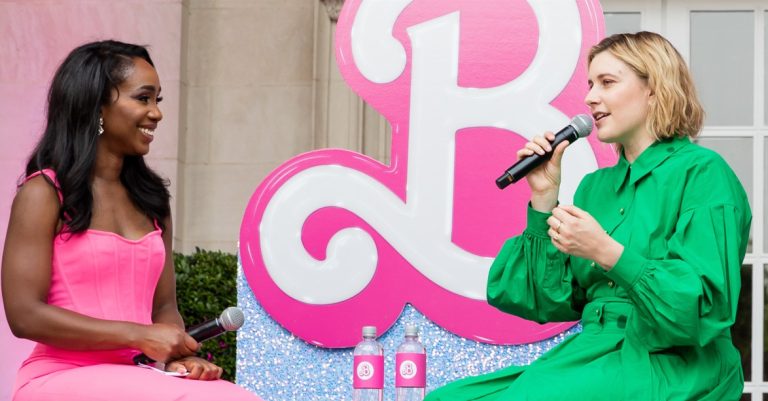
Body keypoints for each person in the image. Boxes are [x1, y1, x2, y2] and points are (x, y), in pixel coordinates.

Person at [425, 31, 750, 400]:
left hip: (671, 361)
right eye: (591, 84)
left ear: (654, 90)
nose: (590, 97)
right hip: (595, 353)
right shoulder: (595, 188)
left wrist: (607, 252)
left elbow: (700, 309)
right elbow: (545, 299)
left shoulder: (703, 173)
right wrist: (544, 197)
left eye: (607, 83)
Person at [1, 40, 262, 401]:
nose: (156, 113)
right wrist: (139, 336)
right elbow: (24, 315)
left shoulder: (153, 200)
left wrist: (179, 358)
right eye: (143, 98)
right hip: (60, 377)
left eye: (158, 100)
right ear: (97, 106)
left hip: (138, 376)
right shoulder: (44, 193)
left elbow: (164, 308)